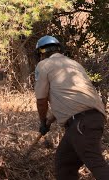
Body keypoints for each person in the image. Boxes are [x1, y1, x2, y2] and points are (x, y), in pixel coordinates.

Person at [34, 35, 109, 180]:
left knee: (96, 164)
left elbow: (41, 101)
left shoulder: (44, 65)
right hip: (90, 119)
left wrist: (42, 122)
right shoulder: (74, 64)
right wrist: (48, 121)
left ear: (41, 53)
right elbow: (67, 100)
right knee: (64, 164)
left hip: (81, 123)